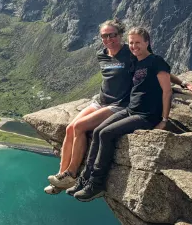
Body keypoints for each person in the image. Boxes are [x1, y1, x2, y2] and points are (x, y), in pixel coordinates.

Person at [45, 21, 192, 195]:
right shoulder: (102, 55)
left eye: (113, 35)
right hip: (100, 100)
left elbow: (158, 68)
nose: (109, 39)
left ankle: (72, 173)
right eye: (105, 36)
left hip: (118, 104)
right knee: (70, 128)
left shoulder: (129, 53)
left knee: (80, 127)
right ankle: (61, 177)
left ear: (120, 35)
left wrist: (184, 83)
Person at [70, 27, 173, 202]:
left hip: (146, 115)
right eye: (131, 43)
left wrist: (164, 120)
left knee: (106, 133)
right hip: (130, 110)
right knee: (97, 131)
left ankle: (97, 183)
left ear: (147, 42)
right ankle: (85, 178)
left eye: (138, 42)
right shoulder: (136, 62)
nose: (134, 46)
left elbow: (167, 90)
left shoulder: (156, 61)